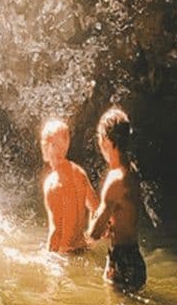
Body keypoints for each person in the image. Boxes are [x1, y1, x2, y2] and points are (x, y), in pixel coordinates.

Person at [89, 106, 147, 291]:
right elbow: (123, 216)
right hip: (136, 257)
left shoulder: (114, 179)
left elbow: (95, 232)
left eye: (99, 139)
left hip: (121, 259)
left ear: (106, 140)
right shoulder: (132, 172)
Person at [40, 118, 99, 253]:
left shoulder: (52, 183)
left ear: (50, 146)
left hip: (65, 256)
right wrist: (90, 237)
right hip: (84, 249)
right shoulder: (80, 172)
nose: (41, 146)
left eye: (43, 142)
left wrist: (49, 261)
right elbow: (96, 209)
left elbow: (56, 232)